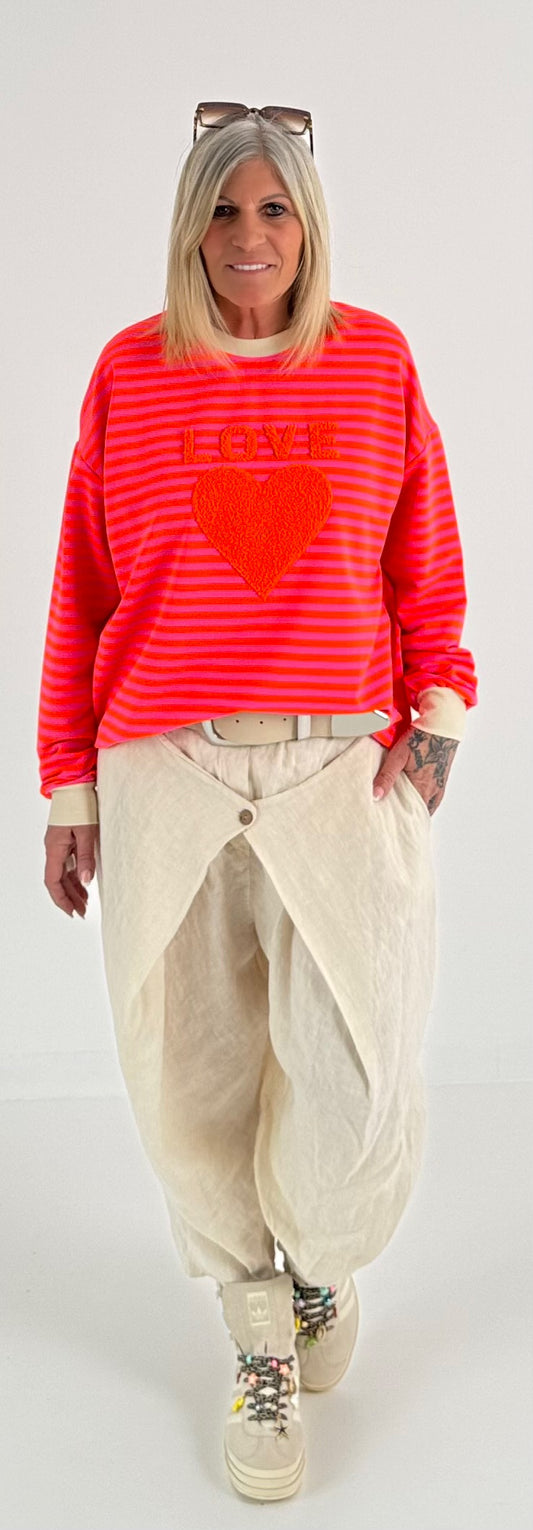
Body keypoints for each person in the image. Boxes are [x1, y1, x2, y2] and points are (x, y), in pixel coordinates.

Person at [37, 102, 478, 1503]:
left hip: (336, 767)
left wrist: (437, 723)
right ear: (190, 225)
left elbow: (426, 562)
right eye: (223, 209)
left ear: (308, 224)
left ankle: (320, 1260)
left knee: (352, 1069)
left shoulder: (374, 362)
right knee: (190, 1070)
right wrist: (67, 789)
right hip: (161, 768)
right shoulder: (130, 372)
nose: (248, 236)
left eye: (274, 208)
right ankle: (256, 1329)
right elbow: (81, 590)